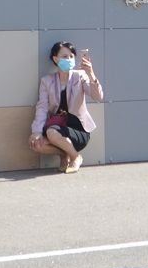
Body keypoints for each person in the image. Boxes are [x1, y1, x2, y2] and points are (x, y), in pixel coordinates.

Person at [30, 41, 104, 172]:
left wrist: (91, 75)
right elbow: (42, 107)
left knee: (51, 132)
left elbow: (98, 97)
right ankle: (64, 154)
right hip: (58, 128)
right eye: (64, 57)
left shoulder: (80, 76)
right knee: (37, 145)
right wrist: (36, 132)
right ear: (55, 58)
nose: (69, 60)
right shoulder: (47, 81)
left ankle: (76, 157)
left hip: (78, 129)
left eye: (71, 56)